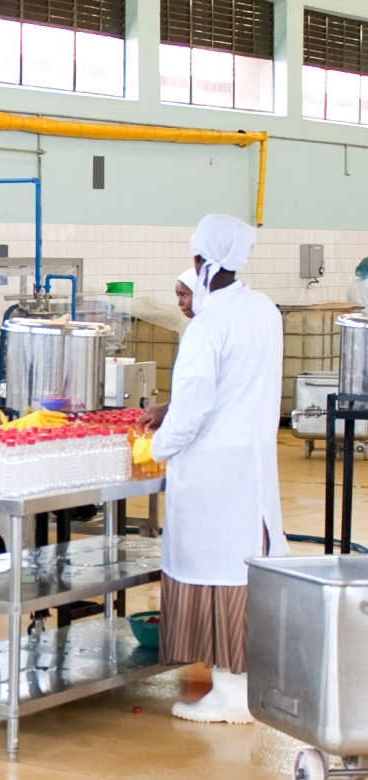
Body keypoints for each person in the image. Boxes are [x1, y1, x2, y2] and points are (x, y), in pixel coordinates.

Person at [139, 213, 285, 725]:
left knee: (216, 575)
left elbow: (196, 406)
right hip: (253, 467)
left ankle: (229, 692)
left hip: (212, 477)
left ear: (202, 261)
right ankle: (245, 682)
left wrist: (157, 447)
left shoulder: (207, 326)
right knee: (247, 571)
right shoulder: (264, 309)